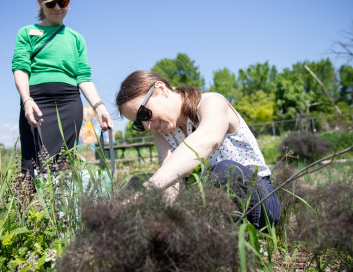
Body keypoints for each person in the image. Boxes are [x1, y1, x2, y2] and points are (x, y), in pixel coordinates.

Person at [115, 70, 280, 230]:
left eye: (143, 114)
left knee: (225, 171)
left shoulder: (211, 102)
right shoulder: (161, 133)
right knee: (139, 180)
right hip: (209, 203)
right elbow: (171, 183)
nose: (147, 125)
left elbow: (208, 139)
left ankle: (247, 238)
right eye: (138, 124)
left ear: (161, 89)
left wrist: (147, 190)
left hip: (260, 199)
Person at [12, 0, 112, 175]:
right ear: (40, 3)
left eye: (62, 2)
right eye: (51, 3)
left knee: (63, 164)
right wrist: (27, 100)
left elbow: (83, 77)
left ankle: (61, 206)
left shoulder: (76, 38)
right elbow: (20, 68)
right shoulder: (27, 33)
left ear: (68, 3)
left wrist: (99, 107)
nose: (57, 8)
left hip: (69, 103)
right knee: (32, 165)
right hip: (36, 102)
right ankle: (29, 205)